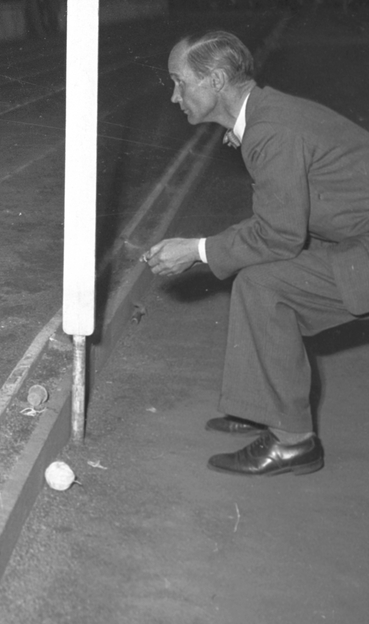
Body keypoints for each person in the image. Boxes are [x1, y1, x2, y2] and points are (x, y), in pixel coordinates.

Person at [145, 30, 369, 476]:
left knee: (265, 285)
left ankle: (292, 442)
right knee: (259, 276)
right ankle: (265, 406)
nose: (174, 96)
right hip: (355, 234)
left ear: (216, 80)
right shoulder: (264, 117)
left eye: (180, 82)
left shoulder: (270, 130)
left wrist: (197, 250)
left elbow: (279, 234)